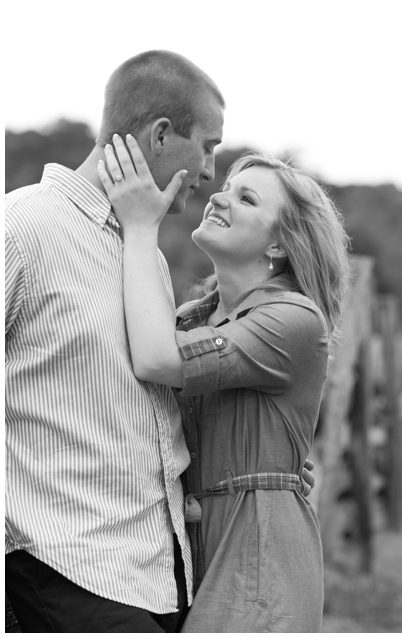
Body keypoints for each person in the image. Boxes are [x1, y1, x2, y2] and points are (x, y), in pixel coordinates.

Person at [4, 50, 313, 632]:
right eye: (209, 147)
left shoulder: (142, 257)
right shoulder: (21, 229)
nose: (208, 172)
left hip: (163, 572)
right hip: (66, 563)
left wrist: (270, 466)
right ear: (162, 135)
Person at [98, 135, 351, 631]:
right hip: (185, 545)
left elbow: (154, 359)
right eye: (227, 187)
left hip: (259, 548)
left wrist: (142, 225)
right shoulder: (194, 318)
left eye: (246, 198)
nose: (218, 196)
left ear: (279, 243)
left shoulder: (294, 318)